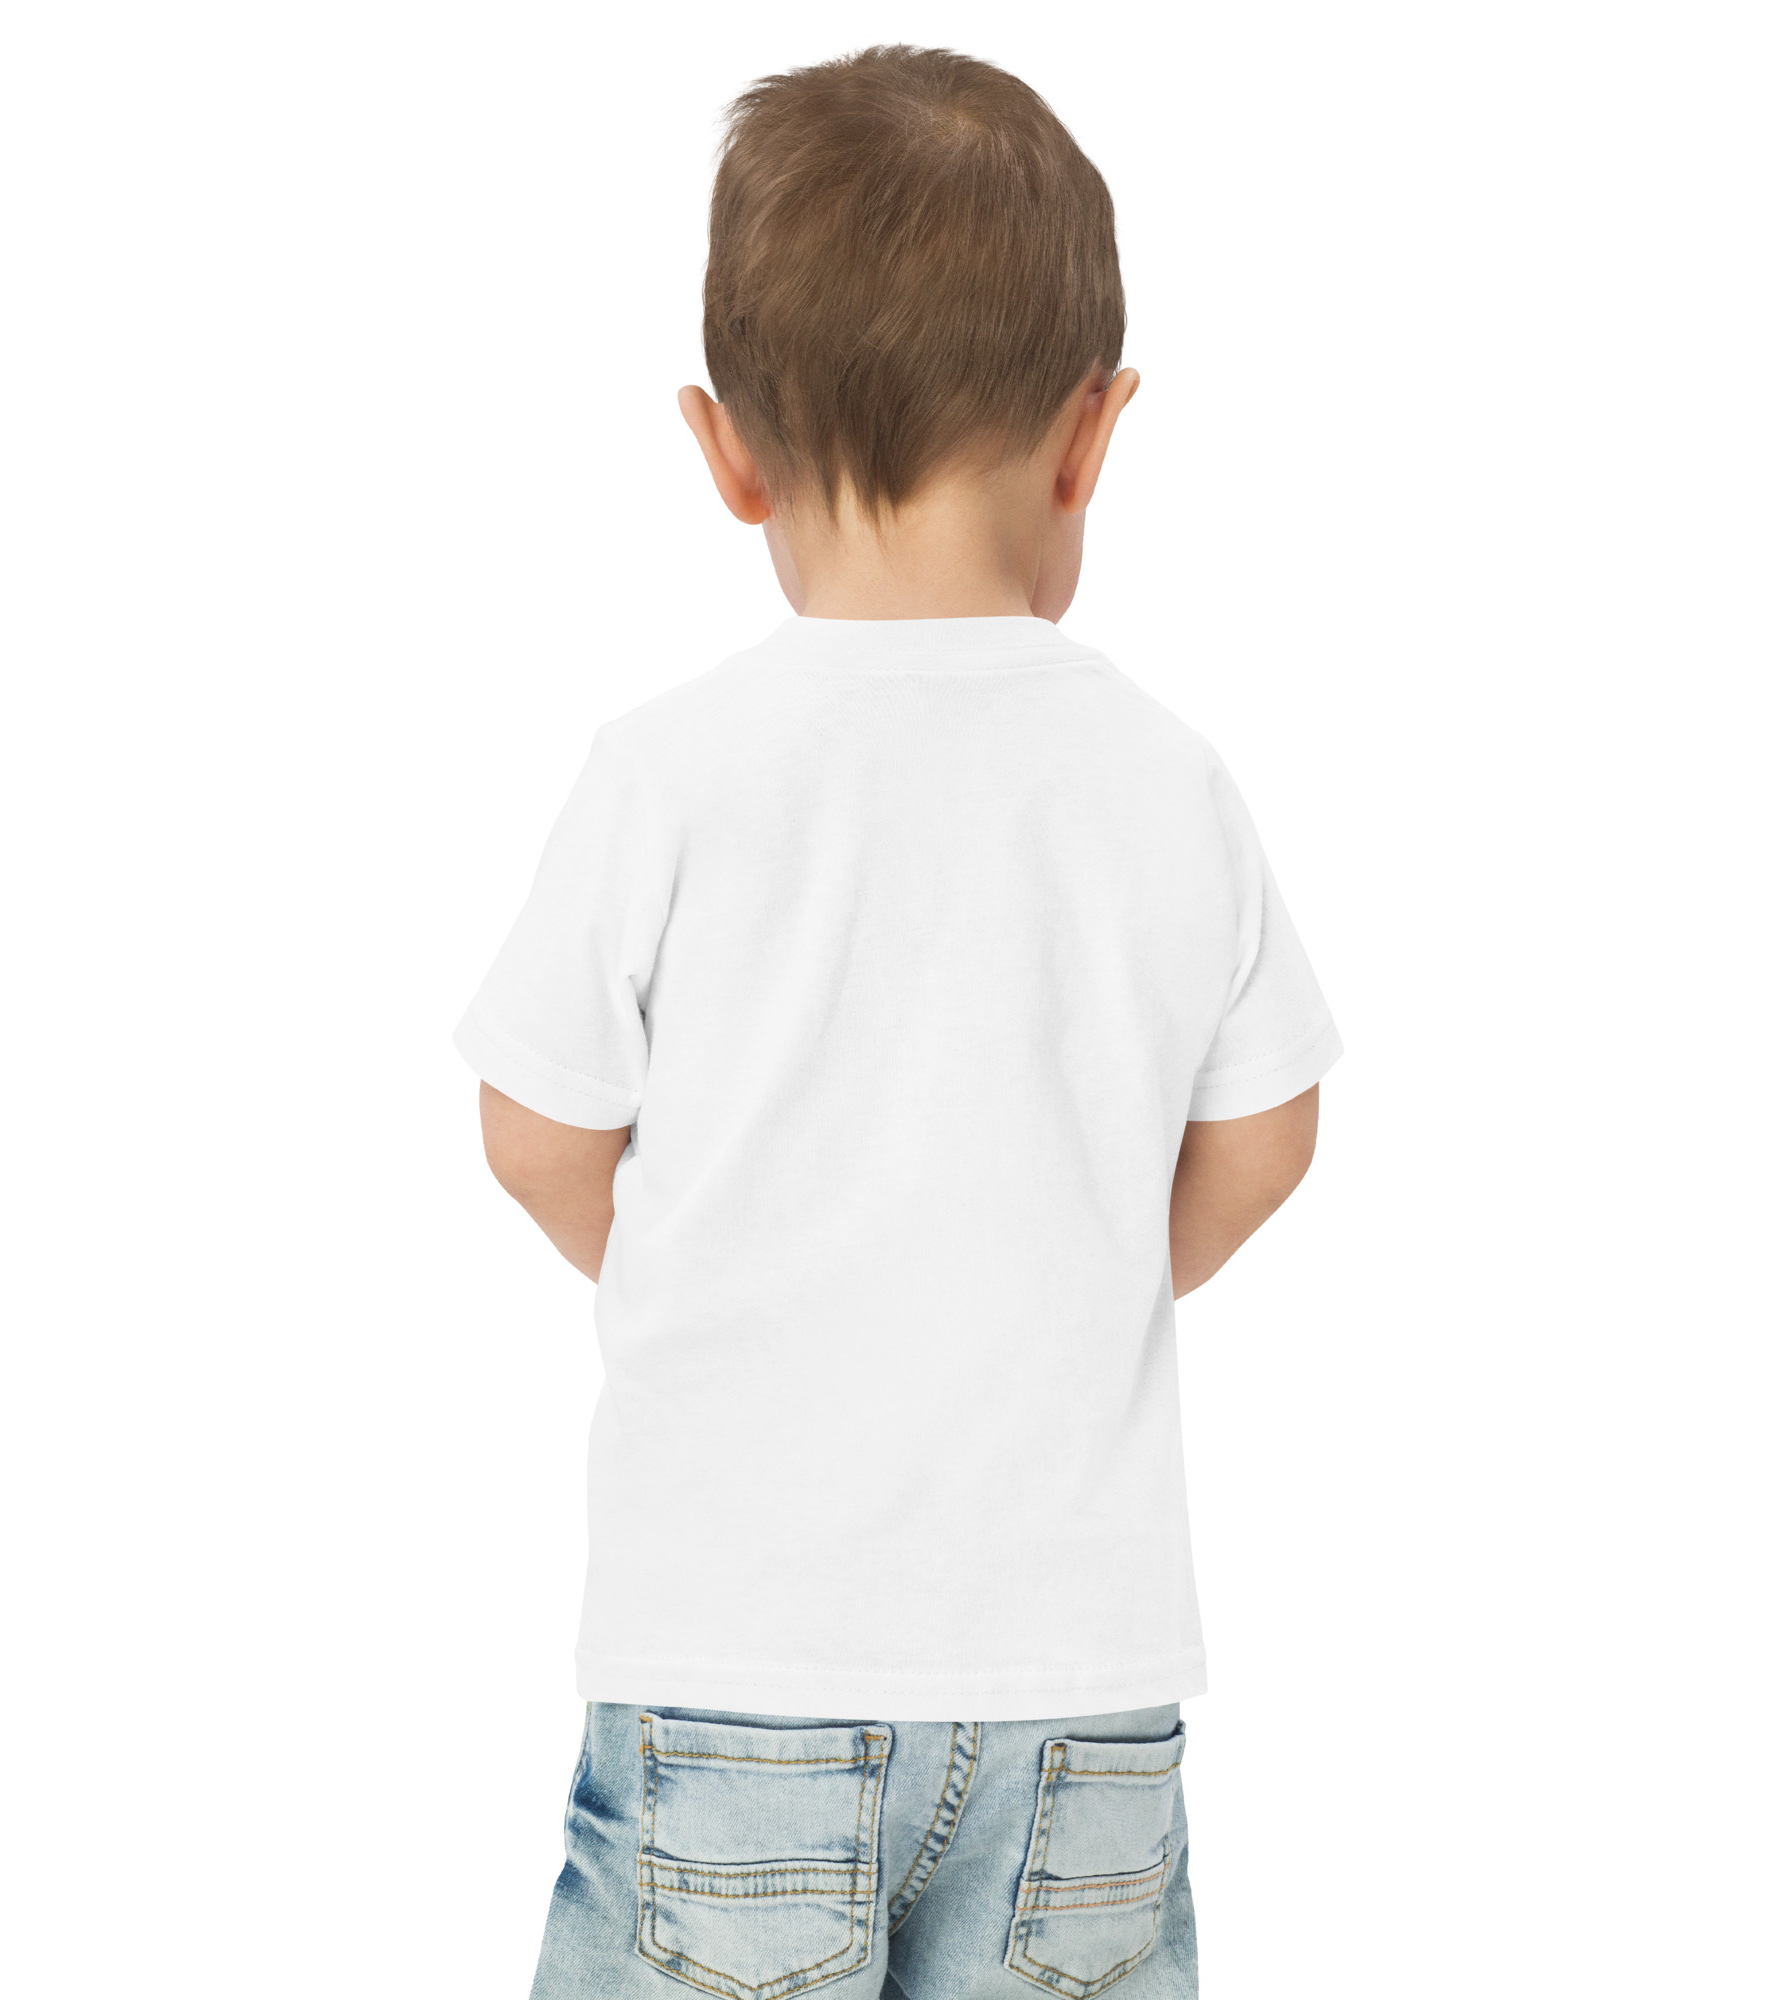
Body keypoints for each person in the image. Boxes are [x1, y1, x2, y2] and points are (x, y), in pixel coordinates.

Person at [454, 44, 1341, 1999]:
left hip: (736, 1669)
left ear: (725, 455)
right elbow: (1269, 1134)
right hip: (1079, 1695)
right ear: (1092, 434)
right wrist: (1078, 1269)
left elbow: (533, 1126)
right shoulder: (1163, 778)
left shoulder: (671, 775)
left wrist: (709, 1265)